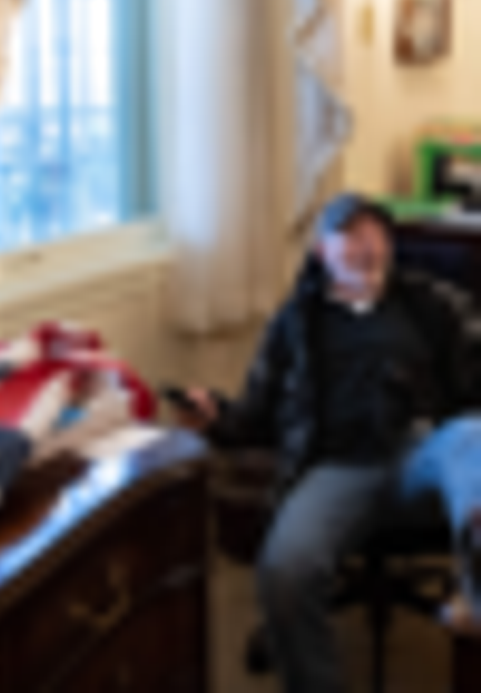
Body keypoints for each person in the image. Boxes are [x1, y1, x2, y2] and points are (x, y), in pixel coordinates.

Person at [172, 192, 481, 693]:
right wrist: (215, 416)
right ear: (322, 252)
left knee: (472, 438)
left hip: (421, 454)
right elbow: (258, 415)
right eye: (352, 234)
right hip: (337, 467)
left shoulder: (432, 303)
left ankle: (476, 594)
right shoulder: (294, 323)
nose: (369, 245)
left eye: (378, 232)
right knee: (285, 570)